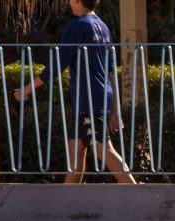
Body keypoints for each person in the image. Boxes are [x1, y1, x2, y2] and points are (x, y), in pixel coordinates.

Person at [14, 0, 135, 184]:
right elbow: (111, 71)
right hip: (96, 96)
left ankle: (139, 194)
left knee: (103, 149)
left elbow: (57, 65)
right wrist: (115, 108)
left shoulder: (77, 26)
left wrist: (27, 89)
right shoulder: (102, 26)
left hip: (88, 98)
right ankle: (67, 206)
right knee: (76, 153)